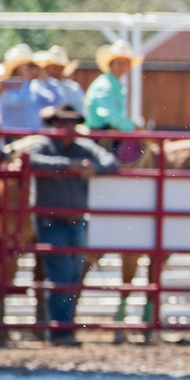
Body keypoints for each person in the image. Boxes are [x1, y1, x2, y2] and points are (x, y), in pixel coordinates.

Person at [24, 105, 119, 344]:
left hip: (74, 220)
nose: (67, 128)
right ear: (54, 124)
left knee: (73, 275)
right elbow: (32, 160)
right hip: (51, 220)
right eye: (63, 123)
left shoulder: (82, 147)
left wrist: (94, 168)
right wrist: (70, 166)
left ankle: (62, 328)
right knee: (62, 275)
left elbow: (110, 161)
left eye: (71, 123)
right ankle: (61, 331)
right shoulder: (44, 144)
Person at [84, 40, 140, 133]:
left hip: (108, 133)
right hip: (98, 135)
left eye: (125, 63)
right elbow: (110, 116)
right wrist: (132, 127)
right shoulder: (104, 85)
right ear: (111, 64)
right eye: (119, 62)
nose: (122, 66)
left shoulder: (114, 84)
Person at [0, 44, 45, 132]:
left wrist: (46, 78)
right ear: (17, 68)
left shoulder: (35, 86)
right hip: (10, 137)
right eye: (28, 66)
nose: (31, 69)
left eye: (32, 66)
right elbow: (19, 101)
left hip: (32, 137)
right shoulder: (6, 86)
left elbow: (56, 101)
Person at [35, 46, 85, 111]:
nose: (56, 71)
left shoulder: (73, 88)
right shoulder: (37, 86)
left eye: (60, 67)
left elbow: (81, 111)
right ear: (47, 67)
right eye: (54, 67)